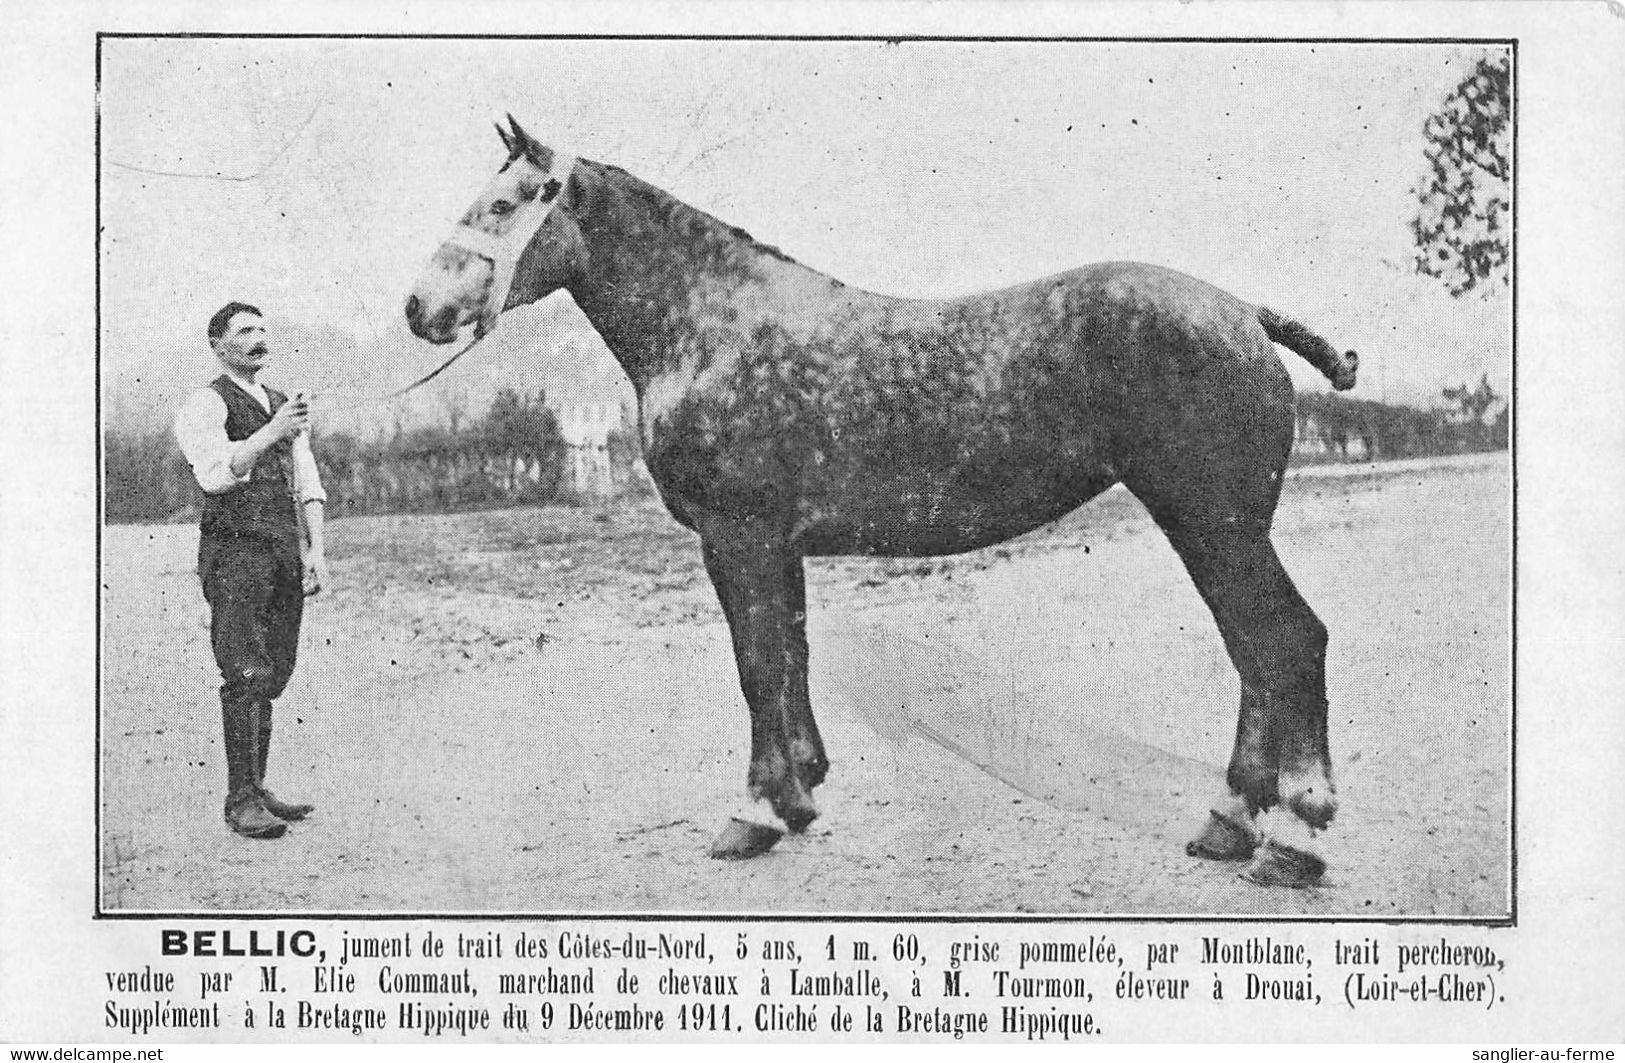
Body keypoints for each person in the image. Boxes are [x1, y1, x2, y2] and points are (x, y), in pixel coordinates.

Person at [173, 302, 328, 839]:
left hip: (283, 549)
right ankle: (240, 800)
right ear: (218, 345)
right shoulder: (204, 403)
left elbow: (305, 479)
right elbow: (217, 474)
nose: (259, 338)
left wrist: (317, 550)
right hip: (235, 551)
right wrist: (273, 431)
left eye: (264, 328)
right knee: (244, 669)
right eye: (245, 330)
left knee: (276, 670)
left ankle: (258, 787)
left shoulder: (284, 404)